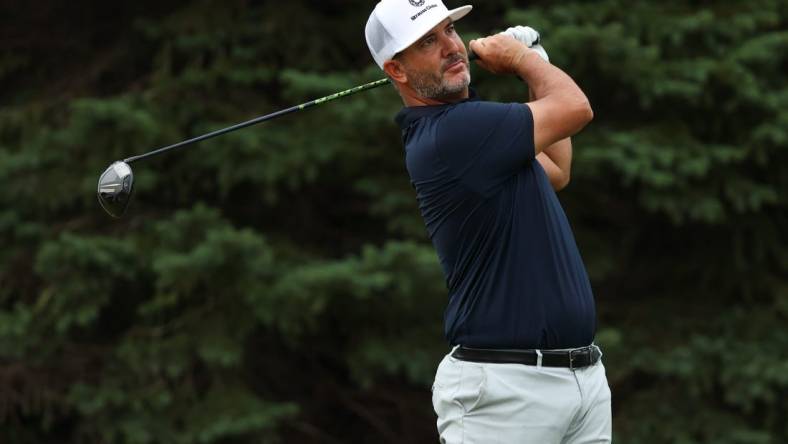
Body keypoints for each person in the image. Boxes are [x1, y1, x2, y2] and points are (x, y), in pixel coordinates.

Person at [365, 1, 611, 443]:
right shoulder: (454, 133)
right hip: (504, 394)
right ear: (397, 70)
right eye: (428, 42)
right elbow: (576, 108)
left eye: (449, 32)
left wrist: (537, 62)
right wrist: (523, 60)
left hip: (580, 381)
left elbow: (557, 168)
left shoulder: (474, 132)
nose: (452, 47)